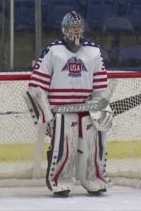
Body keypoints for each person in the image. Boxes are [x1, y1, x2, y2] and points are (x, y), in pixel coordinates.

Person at [25, 11, 113, 197]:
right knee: (64, 147)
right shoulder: (53, 50)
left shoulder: (94, 51)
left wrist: (102, 106)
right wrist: (45, 111)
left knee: (93, 146)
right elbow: (37, 84)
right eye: (73, 27)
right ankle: (60, 181)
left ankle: (94, 180)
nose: (77, 31)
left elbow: (100, 85)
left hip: (87, 109)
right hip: (61, 110)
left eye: (79, 27)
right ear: (64, 29)